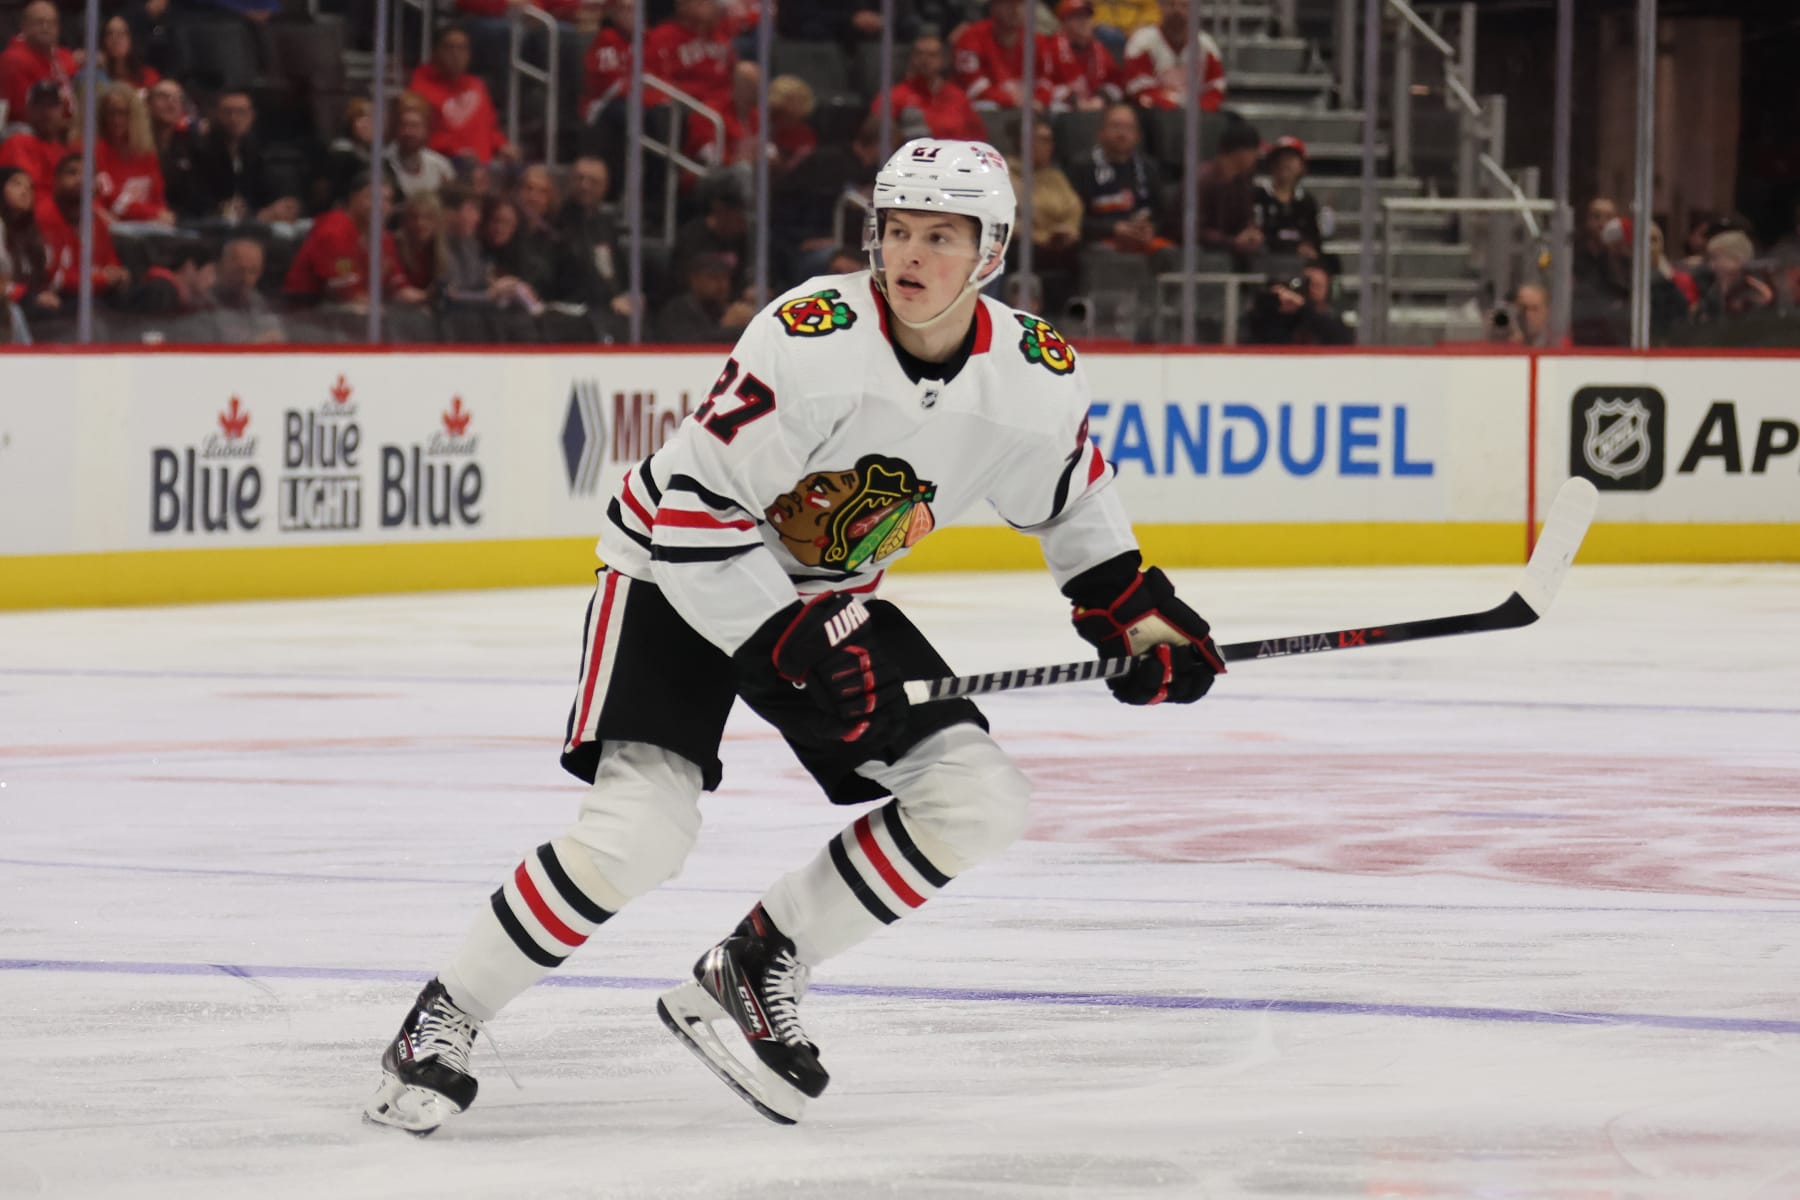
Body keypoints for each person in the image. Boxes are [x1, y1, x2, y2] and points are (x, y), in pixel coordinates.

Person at [363, 135, 1225, 1136]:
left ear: (990, 253)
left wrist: (1138, 617)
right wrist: (791, 644)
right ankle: (446, 1015)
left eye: (941, 236)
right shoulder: (810, 337)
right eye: (897, 229)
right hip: (675, 574)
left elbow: (1074, 506)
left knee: (978, 798)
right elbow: (692, 513)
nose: (910, 253)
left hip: (826, 597)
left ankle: (759, 962)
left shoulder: (1033, 372)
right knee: (641, 834)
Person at [408, 25, 515, 167]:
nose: (456, 54)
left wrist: (502, 145)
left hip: (483, 167)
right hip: (443, 165)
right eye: (449, 48)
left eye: (462, 48)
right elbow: (417, 134)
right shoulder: (420, 87)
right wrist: (455, 150)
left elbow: (490, 128)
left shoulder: (476, 85)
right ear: (435, 51)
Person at [191, 90, 302, 223]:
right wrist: (254, 215)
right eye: (227, 112)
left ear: (252, 115)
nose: (234, 118)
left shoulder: (255, 150)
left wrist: (279, 207)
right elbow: (199, 202)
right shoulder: (201, 151)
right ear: (216, 114)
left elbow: (263, 193)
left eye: (241, 112)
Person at [871, 34, 986, 144]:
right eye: (919, 54)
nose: (924, 59)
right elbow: (874, 138)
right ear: (911, 58)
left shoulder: (958, 97)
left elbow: (978, 138)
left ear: (943, 60)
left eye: (932, 55)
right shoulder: (893, 97)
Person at [1123, 0, 1225, 113]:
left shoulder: (1206, 45)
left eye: (1184, 6)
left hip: (1198, 115)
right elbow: (1140, 89)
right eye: (1170, 4)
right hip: (1155, 114)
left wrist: (1199, 110)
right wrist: (1174, 109)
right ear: (1160, 7)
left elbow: (1215, 89)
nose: (1177, 11)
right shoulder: (1142, 42)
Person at [93, 83, 174, 225]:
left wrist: (159, 214)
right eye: (111, 113)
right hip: (117, 225)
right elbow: (112, 200)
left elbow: (157, 197)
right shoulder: (97, 152)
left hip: (149, 225)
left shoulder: (147, 154)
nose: (116, 120)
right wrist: (153, 213)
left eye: (122, 113)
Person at [952, 0, 1054, 110]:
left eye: (1021, 5)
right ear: (993, 7)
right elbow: (974, 88)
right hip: (982, 114)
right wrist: (1011, 101)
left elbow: (1046, 82)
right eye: (1008, 4)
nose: (1015, 10)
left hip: (1028, 110)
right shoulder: (971, 37)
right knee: (985, 105)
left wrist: (1038, 100)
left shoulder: (1037, 41)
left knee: (1057, 108)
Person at [1197, 119, 1263, 267]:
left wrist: (1251, 233)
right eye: (1254, 151)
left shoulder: (1242, 182)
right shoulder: (1202, 180)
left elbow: (1246, 219)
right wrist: (1231, 241)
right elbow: (1190, 230)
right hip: (1202, 253)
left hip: (1229, 248)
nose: (1256, 157)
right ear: (1240, 152)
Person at [0, 0, 79, 123]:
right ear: (24, 26)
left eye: (51, 23)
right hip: (28, 128)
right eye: (39, 22)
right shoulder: (13, 59)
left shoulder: (65, 56)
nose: (45, 27)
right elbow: (24, 112)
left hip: (66, 125)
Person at [652, 250, 755, 342]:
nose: (722, 284)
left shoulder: (726, 309)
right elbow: (688, 345)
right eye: (713, 277)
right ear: (694, 279)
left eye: (725, 277)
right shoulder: (677, 310)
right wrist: (725, 327)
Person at [1242, 261, 1351, 346]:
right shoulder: (1288, 315)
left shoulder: (1333, 318)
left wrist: (1304, 307)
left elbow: (1339, 339)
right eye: (1306, 283)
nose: (1310, 289)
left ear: (1327, 288)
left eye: (1316, 285)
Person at [1252, 135, 1323, 262]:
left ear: (1302, 165)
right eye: (1280, 158)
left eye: (1291, 158)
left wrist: (1309, 247)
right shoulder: (1257, 196)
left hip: (1300, 263)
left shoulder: (1307, 202)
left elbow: (1314, 237)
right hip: (1265, 261)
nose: (1284, 163)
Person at [1044, 0, 1124, 112]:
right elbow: (1044, 85)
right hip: (1065, 112)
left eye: (1087, 17)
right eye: (1078, 17)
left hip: (1096, 109)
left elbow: (1117, 83)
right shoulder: (1050, 48)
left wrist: (1101, 98)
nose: (1084, 22)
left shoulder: (1099, 49)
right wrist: (1073, 99)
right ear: (1063, 23)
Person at [0, 80, 74, 192]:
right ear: (28, 109)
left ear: (62, 110)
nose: (45, 111)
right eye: (39, 105)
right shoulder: (17, 144)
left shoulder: (69, 152)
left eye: (51, 105)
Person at [205, 236, 283, 343]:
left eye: (253, 271)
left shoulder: (258, 302)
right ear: (220, 267)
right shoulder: (202, 305)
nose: (246, 278)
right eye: (239, 270)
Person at [383, 93, 456, 202]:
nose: (408, 132)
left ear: (426, 129)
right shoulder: (382, 164)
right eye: (404, 125)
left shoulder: (440, 167)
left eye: (415, 126)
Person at [97, 16, 161, 94]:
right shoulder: (95, 75)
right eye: (109, 34)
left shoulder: (149, 76)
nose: (114, 39)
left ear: (132, 38)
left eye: (121, 33)